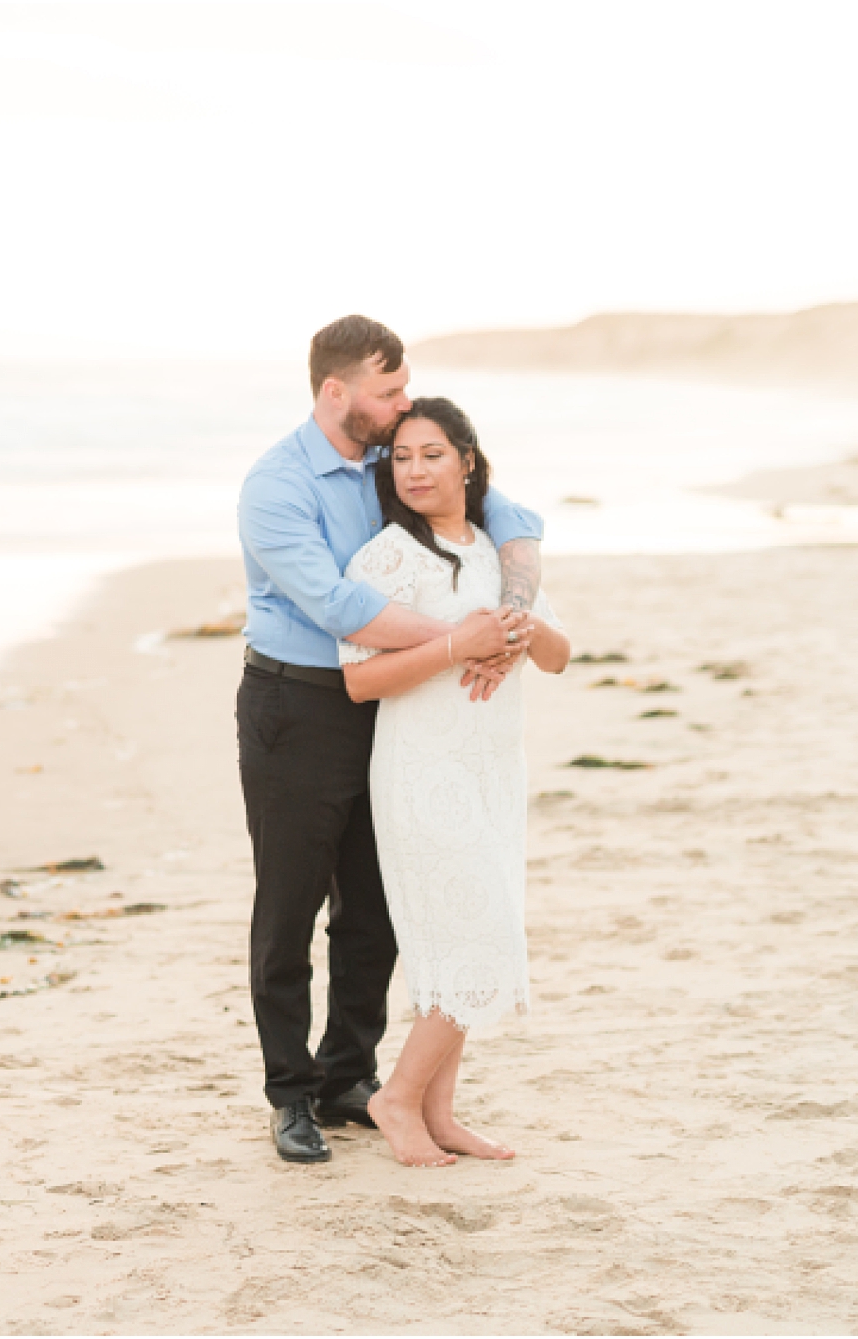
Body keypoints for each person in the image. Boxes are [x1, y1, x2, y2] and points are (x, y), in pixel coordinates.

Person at [236, 317, 545, 1165]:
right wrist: (464, 635)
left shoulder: (387, 455)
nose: (403, 407)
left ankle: (349, 1080)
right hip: (296, 706)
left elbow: (510, 514)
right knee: (289, 905)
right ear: (335, 392)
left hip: (391, 709)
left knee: (373, 908)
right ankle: (292, 1095)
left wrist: (514, 610)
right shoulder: (276, 485)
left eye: (406, 392)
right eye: (389, 392)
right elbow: (339, 608)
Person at [338, 397, 569, 1166]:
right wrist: (454, 647)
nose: (415, 471)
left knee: (465, 940)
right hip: (422, 770)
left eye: (431, 454)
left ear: (467, 462)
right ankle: (396, 1096)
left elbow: (562, 653)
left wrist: (521, 631)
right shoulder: (386, 560)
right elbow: (360, 681)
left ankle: (440, 1109)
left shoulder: (503, 559)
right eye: (401, 458)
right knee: (476, 934)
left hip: (495, 770)